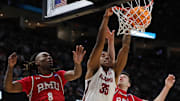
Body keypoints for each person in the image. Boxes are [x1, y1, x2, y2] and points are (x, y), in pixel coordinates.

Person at [4, 45, 86, 101]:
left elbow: (76, 74)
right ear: (37, 62)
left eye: (50, 56)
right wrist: (10, 67)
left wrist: (77, 64)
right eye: (45, 56)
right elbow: (9, 88)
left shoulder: (59, 75)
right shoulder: (31, 80)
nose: (49, 57)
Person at [82, 8, 131, 101]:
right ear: (97, 59)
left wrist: (128, 24)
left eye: (108, 56)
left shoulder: (114, 74)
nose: (106, 57)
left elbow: (125, 48)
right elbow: (99, 43)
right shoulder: (93, 69)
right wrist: (106, 17)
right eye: (103, 56)